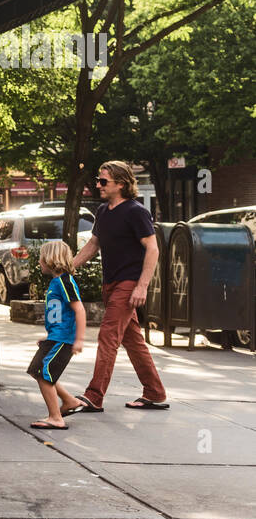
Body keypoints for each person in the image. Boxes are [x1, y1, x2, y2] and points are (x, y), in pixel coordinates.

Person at [67, 160, 169, 413]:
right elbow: (94, 243)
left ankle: (94, 395)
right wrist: (69, 266)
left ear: (121, 184)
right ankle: (155, 393)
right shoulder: (103, 211)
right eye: (98, 180)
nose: (98, 185)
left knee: (108, 336)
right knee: (132, 341)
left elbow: (152, 249)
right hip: (110, 283)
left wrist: (141, 286)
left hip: (128, 283)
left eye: (103, 182)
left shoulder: (136, 211)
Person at [27, 240, 86, 429]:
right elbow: (59, 314)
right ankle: (70, 401)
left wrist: (79, 339)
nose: (39, 262)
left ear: (51, 259)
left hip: (63, 339)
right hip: (55, 337)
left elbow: (80, 310)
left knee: (44, 375)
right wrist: (49, 337)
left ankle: (56, 418)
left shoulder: (65, 282)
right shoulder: (56, 282)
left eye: (41, 258)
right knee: (37, 371)